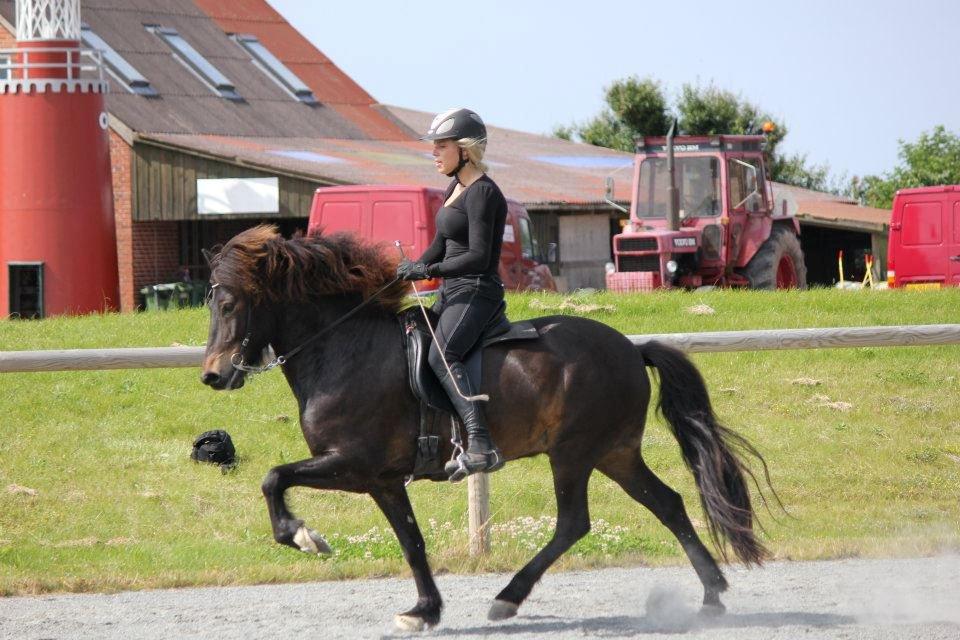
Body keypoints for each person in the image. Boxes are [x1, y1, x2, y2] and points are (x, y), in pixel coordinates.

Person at [396, 108, 508, 482]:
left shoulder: (483, 193)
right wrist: (411, 267)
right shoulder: (455, 187)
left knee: (442, 354)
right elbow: (439, 245)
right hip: (452, 290)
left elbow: (477, 257)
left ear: (464, 149)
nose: (434, 153)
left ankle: (480, 441)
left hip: (478, 291)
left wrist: (428, 271)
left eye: (440, 146)